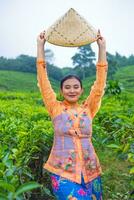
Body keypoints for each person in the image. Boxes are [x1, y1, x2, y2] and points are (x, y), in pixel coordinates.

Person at [36, 30, 108, 200]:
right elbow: (43, 80)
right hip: (63, 173)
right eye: (67, 87)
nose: (72, 90)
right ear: (61, 91)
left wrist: (102, 48)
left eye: (76, 86)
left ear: (81, 90)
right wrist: (40, 46)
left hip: (90, 171)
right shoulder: (55, 108)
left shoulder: (88, 108)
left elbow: (99, 85)